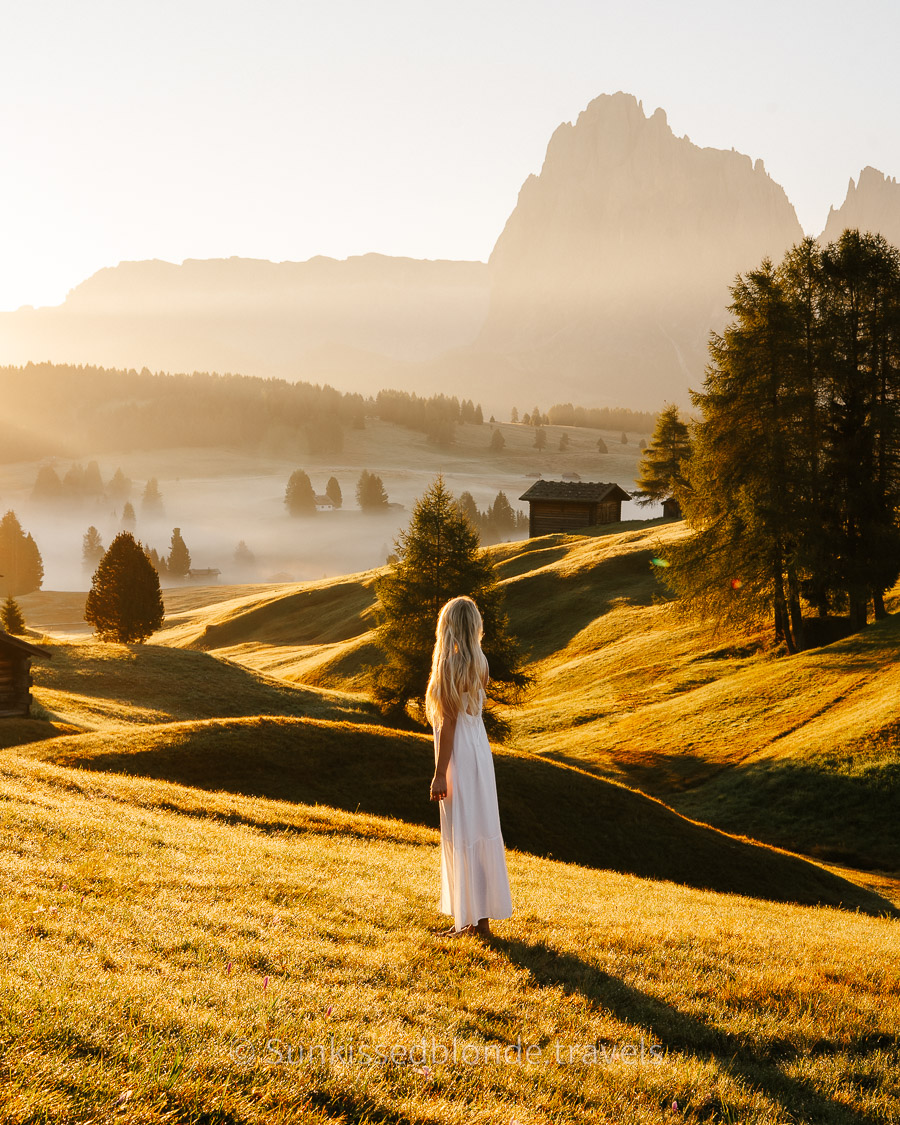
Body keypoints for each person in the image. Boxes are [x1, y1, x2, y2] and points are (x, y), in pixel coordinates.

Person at [426, 595, 512, 937]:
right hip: (479, 752)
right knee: (479, 830)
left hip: (459, 755)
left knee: (463, 831)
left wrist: (438, 774)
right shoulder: (481, 663)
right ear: (473, 626)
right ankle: (479, 923)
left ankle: (470, 922)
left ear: (447, 627)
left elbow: (448, 726)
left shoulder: (449, 666)